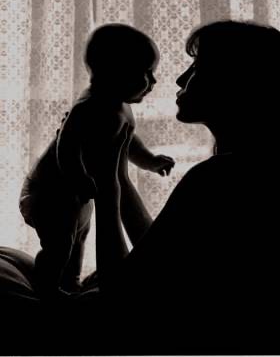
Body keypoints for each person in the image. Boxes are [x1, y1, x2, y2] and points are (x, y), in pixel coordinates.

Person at [84, 20, 280, 354]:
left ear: (234, 83)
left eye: (196, 68)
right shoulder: (257, 170)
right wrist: (117, 173)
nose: (179, 80)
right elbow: (155, 256)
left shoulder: (222, 178)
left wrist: (103, 187)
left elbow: (121, 293)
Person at [18, 23, 175, 299]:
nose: (154, 81)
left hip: (76, 196)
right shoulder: (88, 107)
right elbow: (66, 148)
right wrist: (78, 177)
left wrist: (149, 161)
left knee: (77, 239)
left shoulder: (119, 108)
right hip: (49, 193)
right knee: (60, 243)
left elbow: (126, 141)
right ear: (115, 72)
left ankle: (70, 282)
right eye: (146, 72)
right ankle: (48, 287)